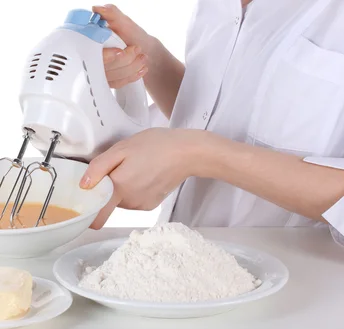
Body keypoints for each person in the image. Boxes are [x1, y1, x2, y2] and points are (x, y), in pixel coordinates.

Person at [79, 1, 344, 244]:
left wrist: (198, 153)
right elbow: (220, 114)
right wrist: (147, 58)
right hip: (180, 254)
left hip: (298, 280)